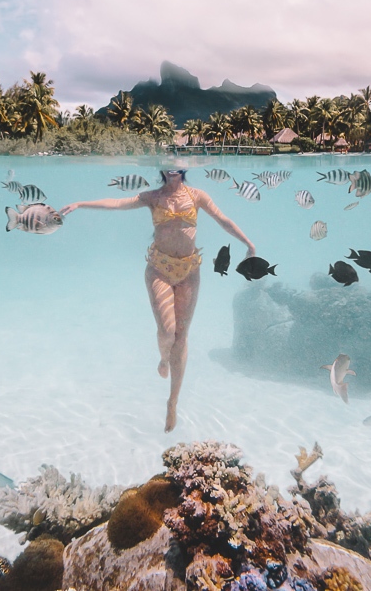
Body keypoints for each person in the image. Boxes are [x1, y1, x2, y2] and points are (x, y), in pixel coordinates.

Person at [60, 168, 255, 432]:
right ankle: (164, 358)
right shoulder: (153, 197)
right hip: (160, 269)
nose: (172, 168)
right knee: (168, 331)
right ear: (162, 168)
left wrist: (248, 244)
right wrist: (81, 204)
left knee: (182, 335)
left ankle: (173, 401)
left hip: (189, 271)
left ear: (184, 168)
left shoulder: (197, 196)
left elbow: (222, 219)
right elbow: (118, 203)